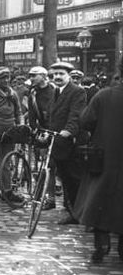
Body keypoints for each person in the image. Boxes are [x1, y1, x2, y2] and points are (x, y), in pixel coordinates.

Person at [74, 58, 123, 263]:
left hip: (105, 159)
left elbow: (85, 122)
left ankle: (101, 245)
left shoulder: (104, 96)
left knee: (100, 201)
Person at [47, 62, 86, 225]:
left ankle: (78, 213)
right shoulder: (55, 91)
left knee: (73, 178)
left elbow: (76, 115)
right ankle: (72, 211)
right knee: (64, 177)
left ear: (68, 75)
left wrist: (68, 131)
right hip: (57, 142)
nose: (57, 77)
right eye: (55, 74)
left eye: (61, 74)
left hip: (71, 142)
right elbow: (52, 116)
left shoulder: (77, 92)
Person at [0, 67, 23, 203]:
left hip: (10, 132)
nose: (6, 80)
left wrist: (20, 127)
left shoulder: (13, 94)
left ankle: (7, 191)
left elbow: (18, 112)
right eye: (2, 78)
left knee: (6, 163)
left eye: (8, 77)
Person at [27, 66, 57, 210]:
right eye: (30, 76)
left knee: (52, 166)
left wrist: (50, 130)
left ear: (44, 76)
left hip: (55, 130)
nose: (31, 78)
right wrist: (35, 130)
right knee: (45, 165)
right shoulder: (32, 92)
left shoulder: (53, 91)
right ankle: (45, 196)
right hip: (42, 131)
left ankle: (50, 196)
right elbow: (32, 113)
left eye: (34, 75)